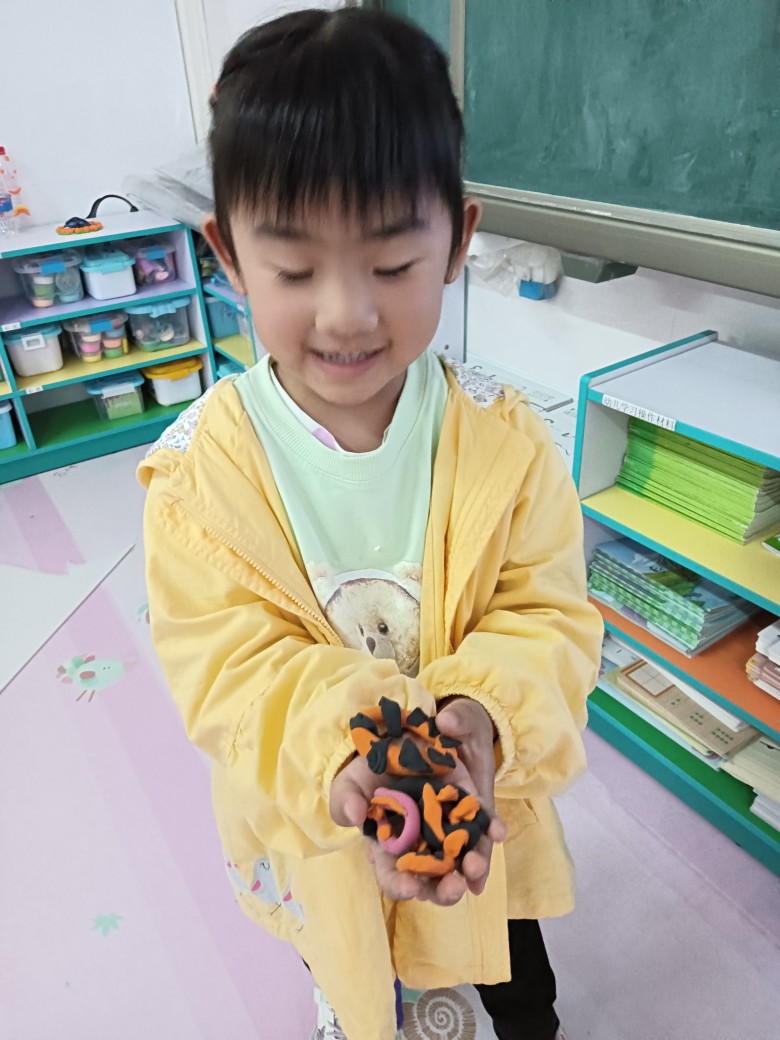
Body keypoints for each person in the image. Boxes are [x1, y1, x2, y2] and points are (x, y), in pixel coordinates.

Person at [138, 8, 602, 1040]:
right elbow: (226, 668)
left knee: (518, 973)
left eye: (391, 264)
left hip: (481, 810)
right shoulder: (197, 478)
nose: (346, 312)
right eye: (295, 270)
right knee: (353, 974)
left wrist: (483, 714)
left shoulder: (508, 443)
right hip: (320, 826)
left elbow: (551, 614)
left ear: (458, 243)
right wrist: (346, 748)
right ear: (227, 255)